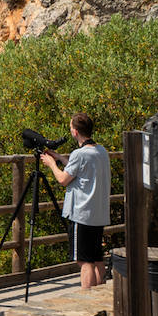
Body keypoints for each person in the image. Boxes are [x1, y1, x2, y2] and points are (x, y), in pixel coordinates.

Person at [43, 112, 111, 288]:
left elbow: (63, 179)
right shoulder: (101, 151)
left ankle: (86, 300)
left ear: (75, 132)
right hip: (98, 214)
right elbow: (81, 170)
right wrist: (59, 158)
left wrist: (51, 164)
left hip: (82, 214)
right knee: (96, 258)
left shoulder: (79, 154)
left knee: (84, 262)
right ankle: (98, 299)